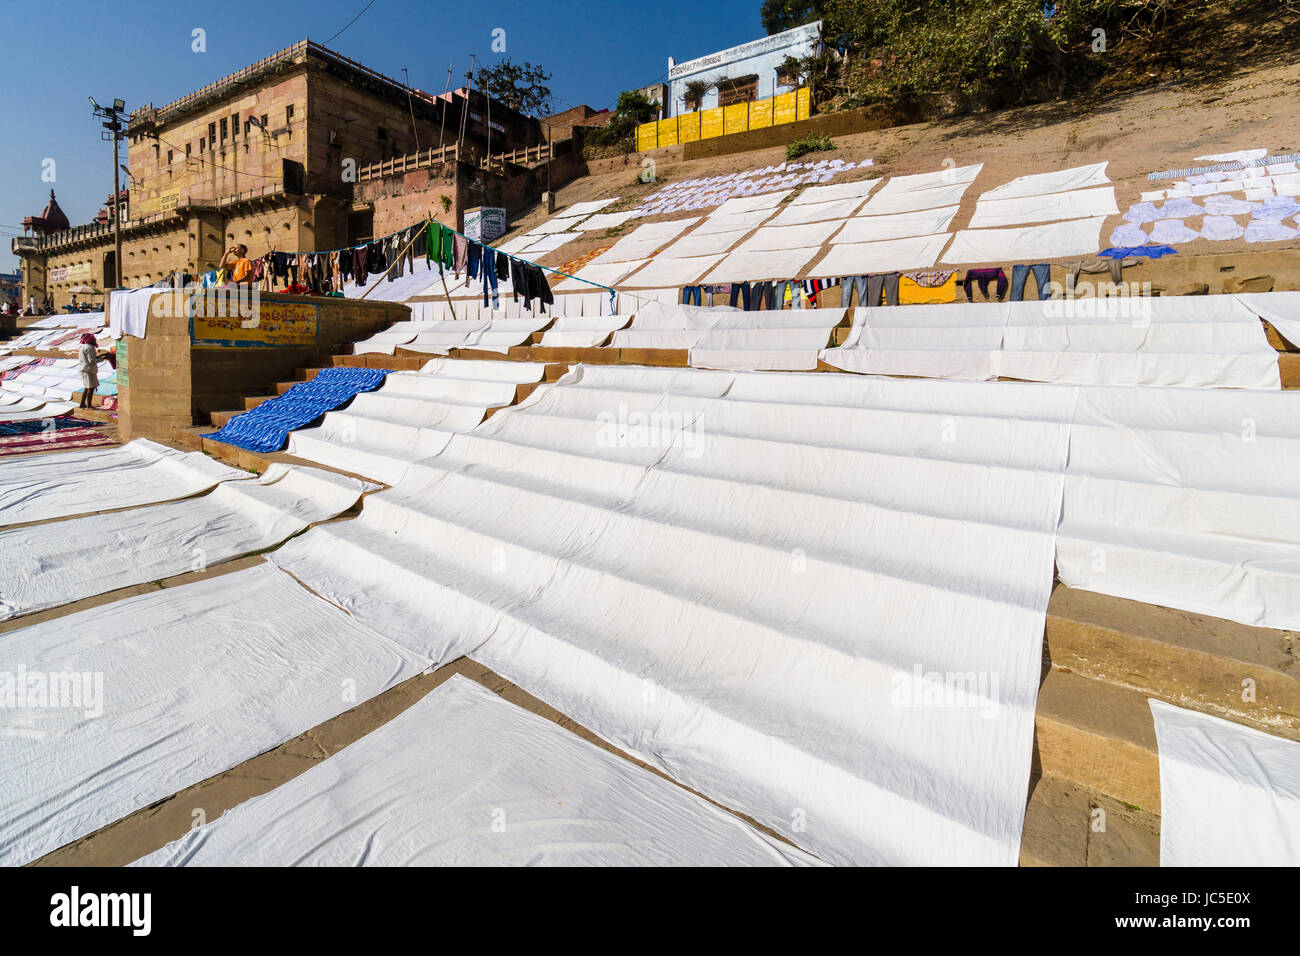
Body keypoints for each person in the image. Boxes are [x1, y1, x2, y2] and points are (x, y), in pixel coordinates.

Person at [76, 333, 100, 409]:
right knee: (91, 388)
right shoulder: (90, 347)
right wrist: (104, 358)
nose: (95, 339)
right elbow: (91, 360)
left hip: (84, 369)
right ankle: (89, 405)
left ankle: (82, 404)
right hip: (88, 370)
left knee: (87, 387)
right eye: (94, 338)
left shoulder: (83, 347)